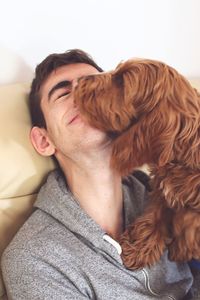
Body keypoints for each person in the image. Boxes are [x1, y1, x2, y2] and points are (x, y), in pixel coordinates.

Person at [1, 49, 199, 299]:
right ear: (44, 140)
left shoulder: (170, 194)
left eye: (99, 84)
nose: (84, 94)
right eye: (63, 93)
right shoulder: (36, 259)